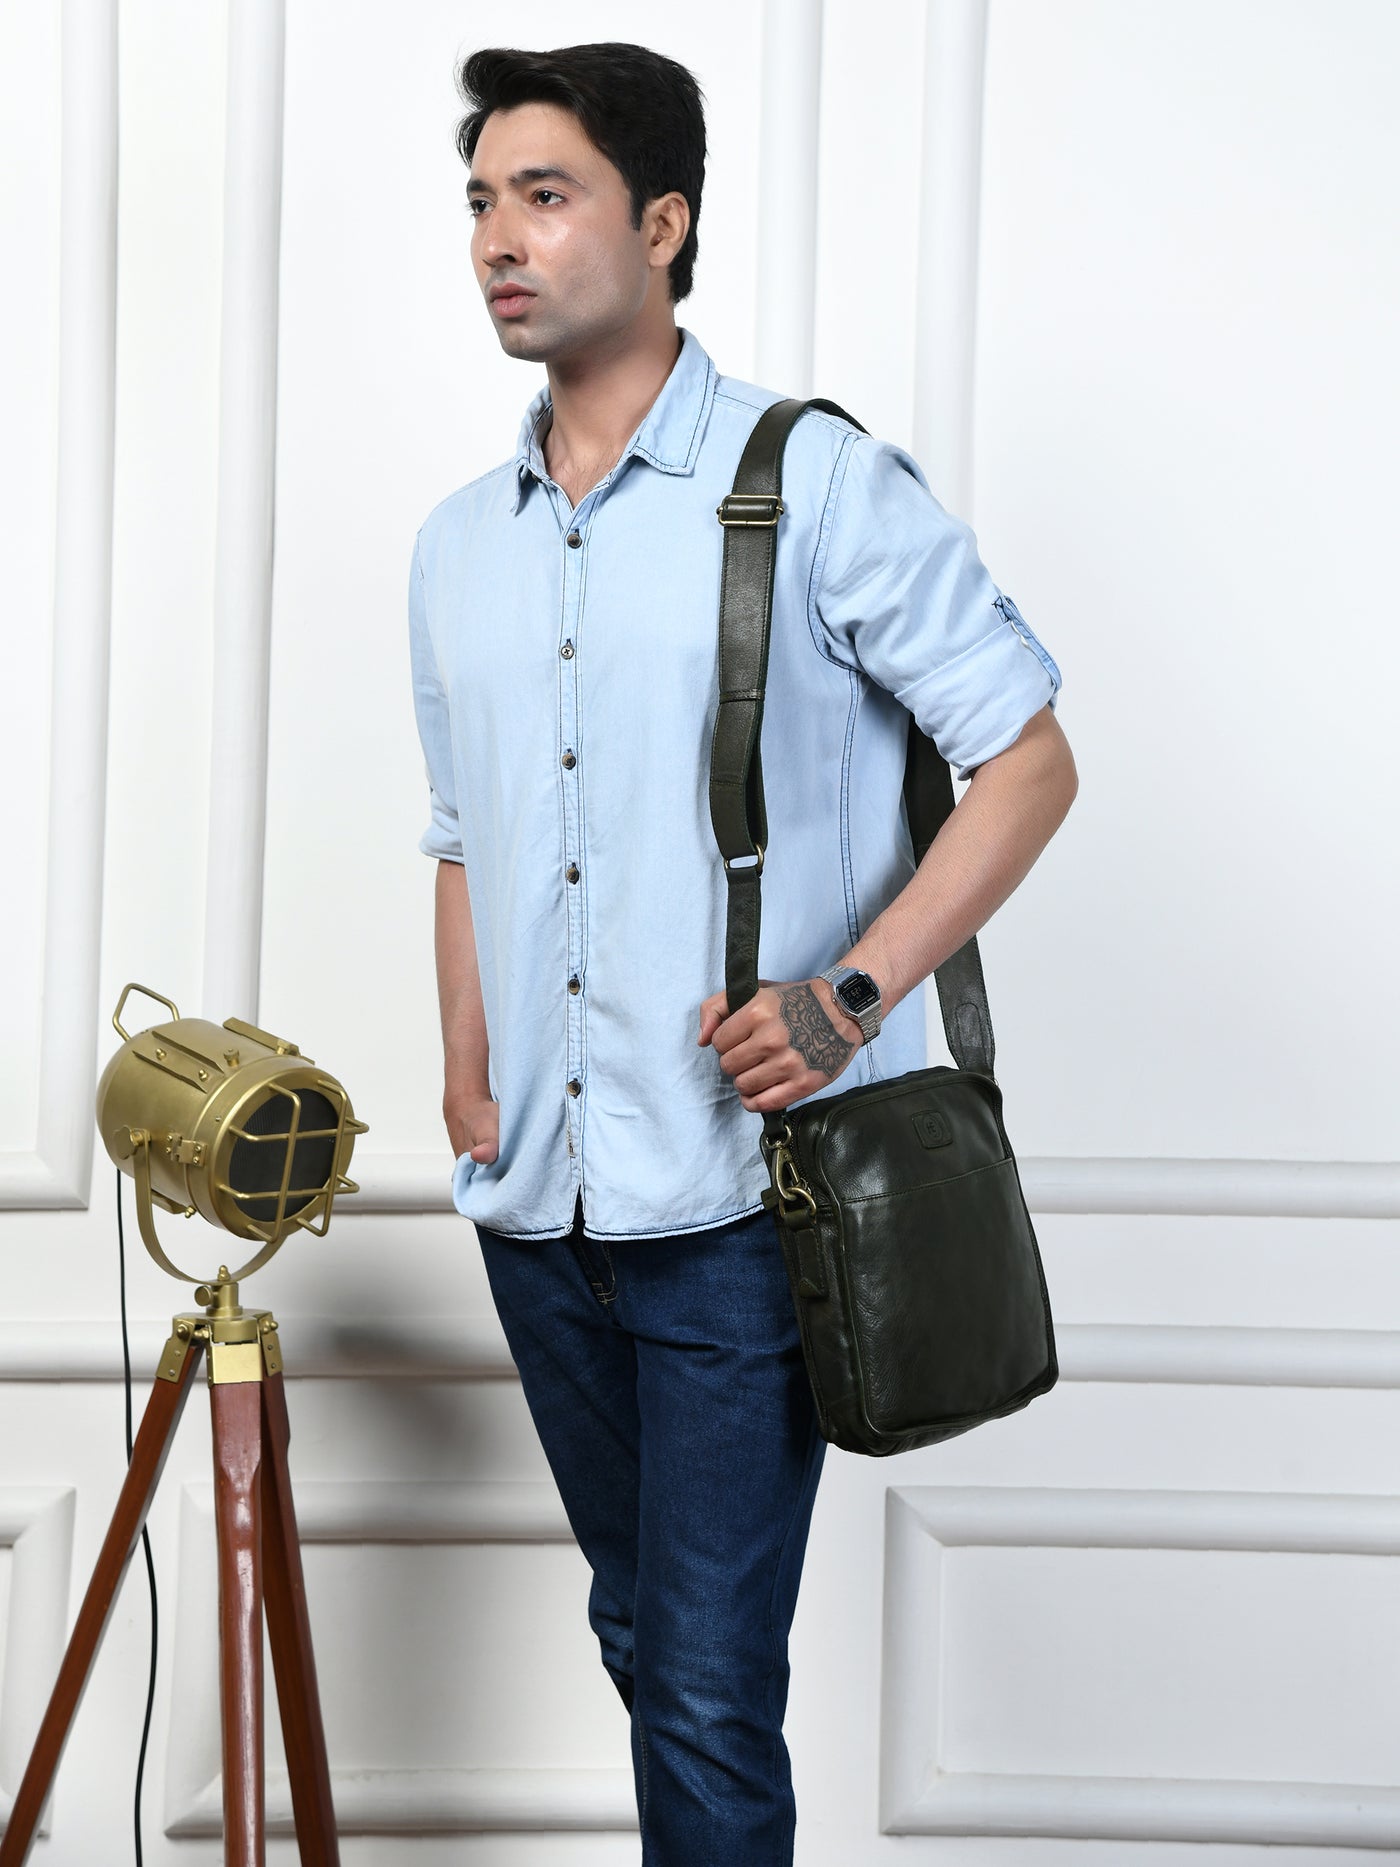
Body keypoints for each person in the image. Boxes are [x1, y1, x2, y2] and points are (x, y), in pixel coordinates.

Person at [407, 40, 1078, 1866]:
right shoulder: (457, 547)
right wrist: (467, 1075)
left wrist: (849, 999)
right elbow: (464, 835)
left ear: (663, 222)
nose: (500, 241)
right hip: (537, 1210)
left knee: (703, 1684)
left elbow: (1028, 762)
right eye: (482, 202)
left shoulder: (817, 483)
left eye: (546, 196)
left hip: (733, 1204)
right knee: (647, 1644)